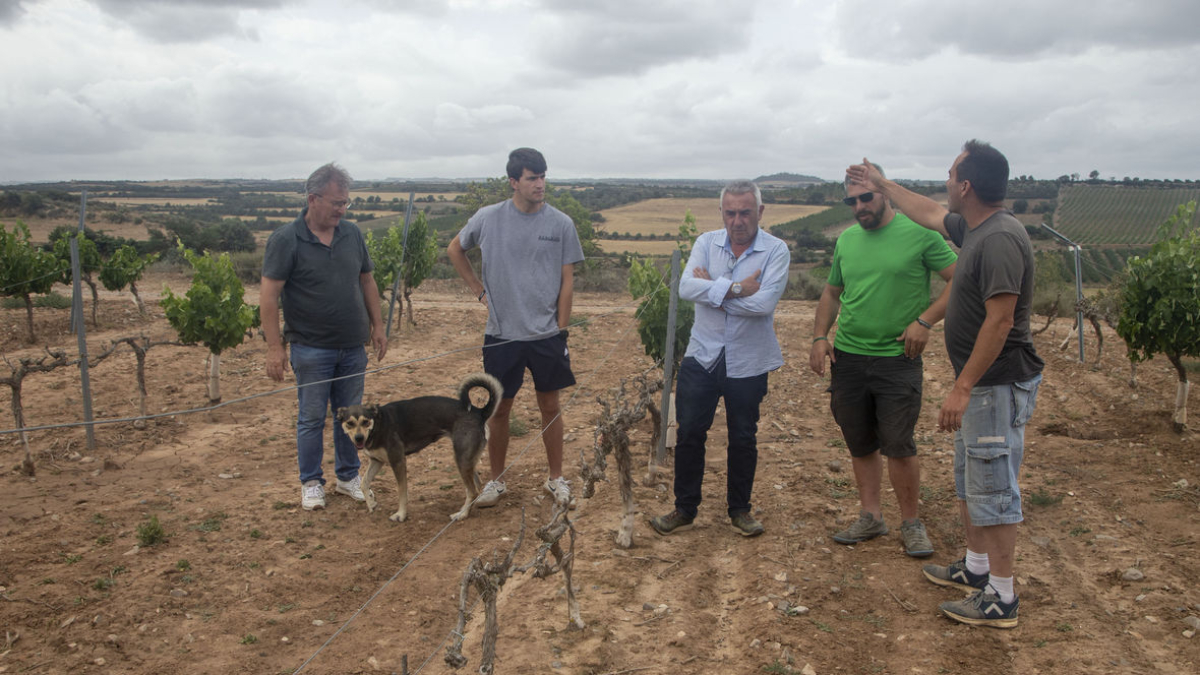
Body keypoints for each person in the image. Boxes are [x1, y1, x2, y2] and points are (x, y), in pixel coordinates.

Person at [847, 140, 1044, 628]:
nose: (946, 182)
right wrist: (883, 183)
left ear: (968, 185)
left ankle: (1001, 596)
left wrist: (962, 386)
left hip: (995, 385)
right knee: (972, 479)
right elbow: (931, 213)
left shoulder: (998, 239)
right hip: (980, 386)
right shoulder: (976, 227)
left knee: (994, 485)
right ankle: (977, 569)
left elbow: (1000, 322)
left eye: (952, 174)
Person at [810, 164, 957, 557]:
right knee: (860, 443)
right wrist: (820, 337)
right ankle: (871, 516)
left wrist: (925, 321)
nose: (859, 206)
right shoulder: (847, 241)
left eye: (866, 197)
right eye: (852, 200)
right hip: (850, 359)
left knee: (899, 444)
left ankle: (911, 523)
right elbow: (832, 293)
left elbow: (960, 279)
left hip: (897, 358)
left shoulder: (920, 233)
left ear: (884, 194)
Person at [650, 180, 790, 538]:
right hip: (703, 354)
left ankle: (740, 510)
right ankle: (684, 509)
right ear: (721, 212)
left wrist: (711, 287)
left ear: (760, 212)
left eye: (745, 212)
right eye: (730, 212)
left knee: (744, 436)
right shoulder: (705, 243)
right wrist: (738, 286)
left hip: (749, 360)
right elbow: (684, 288)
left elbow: (764, 306)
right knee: (690, 433)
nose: (737, 220)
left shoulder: (776, 251)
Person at [447, 148, 584, 508]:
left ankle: (556, 478)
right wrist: (479, 291)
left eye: (543, 176)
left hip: (546, 335)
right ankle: (496, 481)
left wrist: (562, 328)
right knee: (500, 409)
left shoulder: (561, 224)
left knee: (550, 405)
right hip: (501, 334)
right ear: (514, 182)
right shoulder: (488, 218)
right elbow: (455, 249)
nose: (540, 184)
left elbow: (568, 279)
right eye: (532, 178)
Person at [261, 162, 388, 511]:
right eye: (336, 203)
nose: (342, 210)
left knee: (351, 418)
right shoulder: (286, 240)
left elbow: (367, 280)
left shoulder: (352, 234)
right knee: (312, 418)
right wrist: (275, 347)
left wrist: (378, 326)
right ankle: (312, 483)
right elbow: (269, 296)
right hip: (310, 348)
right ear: (313, 199)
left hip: (351, 346)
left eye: (345, 203)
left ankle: (348, 478)